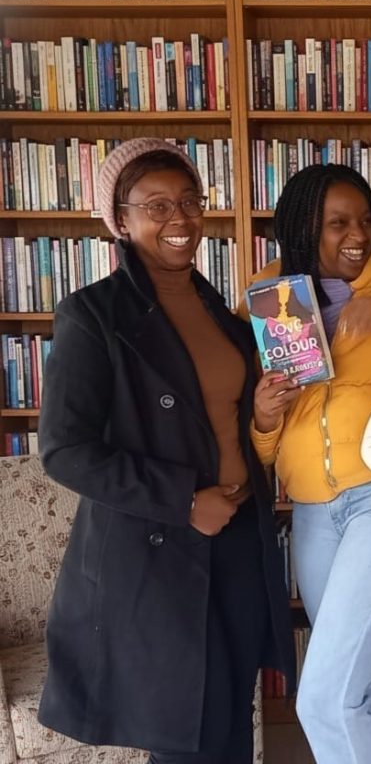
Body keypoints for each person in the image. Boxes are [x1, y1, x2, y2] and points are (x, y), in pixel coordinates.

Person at [36, 138, 295, 763]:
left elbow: (223, 423)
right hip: (161, 548)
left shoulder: (229, 317)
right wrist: (183, 500)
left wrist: (259, 417)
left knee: (231, 722)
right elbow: (64, 449)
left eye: (189, 202)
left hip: (237, 539)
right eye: (156, 207)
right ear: (120, 221)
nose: (179, 220)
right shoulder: (92, 315)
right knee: (188, 732)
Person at [246, 163, 371, 763]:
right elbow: (259, 445)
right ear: (304, 229)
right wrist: (263, 416)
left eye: (365, 220)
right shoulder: (267, 299)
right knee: (369, 692)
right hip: (312, 511)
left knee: (326, 701)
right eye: (337, 223)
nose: (356, 235)